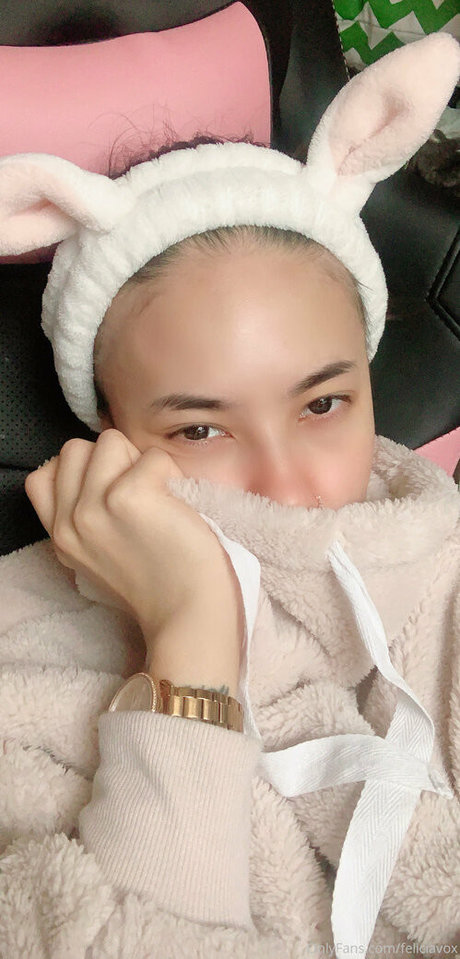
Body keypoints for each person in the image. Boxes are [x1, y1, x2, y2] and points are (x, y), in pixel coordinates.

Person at [0, 35, 459, 958]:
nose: (287, 487)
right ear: (110, 432)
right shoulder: (24, 664)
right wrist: (191, 646)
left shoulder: (442, 572)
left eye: (323, 404)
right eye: (200, 430)